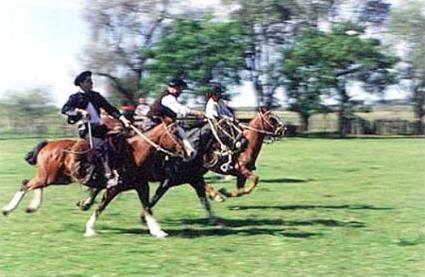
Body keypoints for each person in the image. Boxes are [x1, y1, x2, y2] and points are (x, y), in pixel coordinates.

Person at [61, 70, 131, 187]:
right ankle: (109, 175)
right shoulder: (75, 97)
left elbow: (110, 108)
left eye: (91, 81)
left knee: (119, 141)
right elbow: (65, 109)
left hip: (99, 128)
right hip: (86, 129)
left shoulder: (96, 96)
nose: (91, 83)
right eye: (89, 81)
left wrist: (123, 119)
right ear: (81, 83)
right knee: (102, 146)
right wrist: (79, 111)